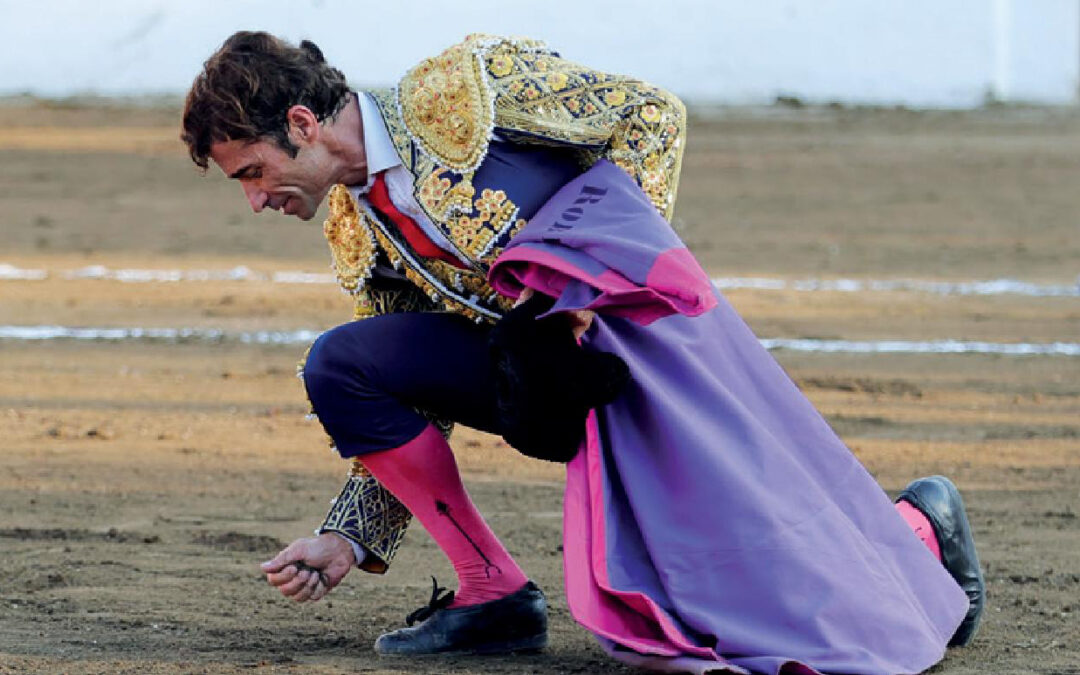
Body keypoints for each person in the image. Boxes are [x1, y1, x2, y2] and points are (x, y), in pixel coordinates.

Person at [181, 31, 985, 674]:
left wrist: (597, 289)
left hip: (639, 344)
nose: (254, 199)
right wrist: (350, 537)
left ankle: (920, 527)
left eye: (253, 171)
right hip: (541, 380)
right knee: (345, 362)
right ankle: (491, 591)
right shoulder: (358, 230)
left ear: (301, 124)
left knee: (744, 581)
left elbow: (650, 115)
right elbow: (406, 388)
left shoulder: (466, 87)